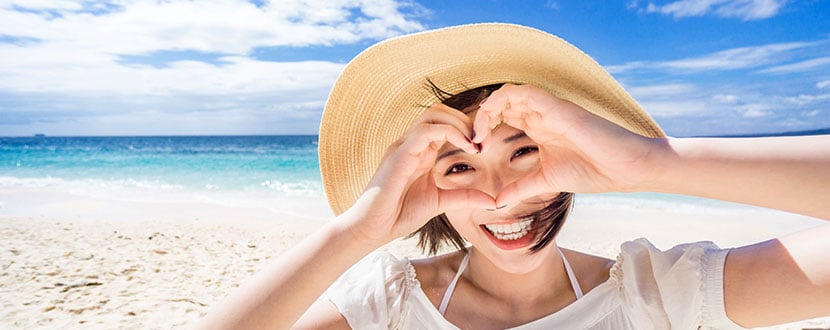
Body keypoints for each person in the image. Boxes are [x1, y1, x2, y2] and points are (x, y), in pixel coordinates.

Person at [198, 23, 830, 329]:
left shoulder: (656, 295)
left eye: (524, 153)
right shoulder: (390, 306)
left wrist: (649, 163)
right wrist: (360, 229)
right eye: (458, 166)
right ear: (424, 190)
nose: (501, 196)